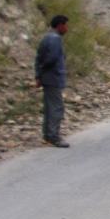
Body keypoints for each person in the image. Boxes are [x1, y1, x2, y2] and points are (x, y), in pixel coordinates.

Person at [34, 14, 70, 148]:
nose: (66, 28)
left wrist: (38, 75)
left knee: (49, 107)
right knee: (57, 108)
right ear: (60, 25)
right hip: (53, 78)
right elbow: (52, 59)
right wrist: (44, 69)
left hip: (47, 78)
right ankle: (54, 136)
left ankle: (47, 135)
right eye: (65, 25)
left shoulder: (45, 38)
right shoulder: (55, 39)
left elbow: (38, 58)